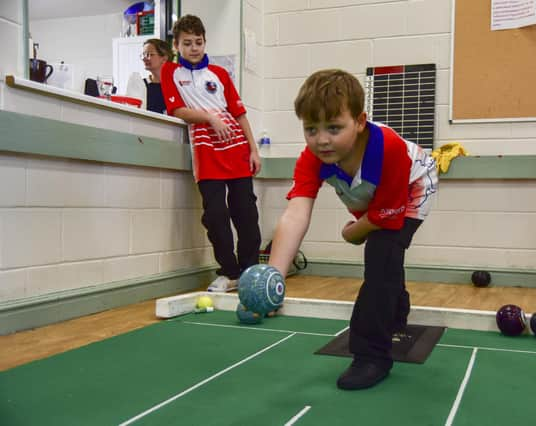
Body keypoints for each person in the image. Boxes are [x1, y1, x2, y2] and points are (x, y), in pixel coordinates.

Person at [267, 69, 438, 390]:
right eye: (311, 129)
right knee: (385, 257)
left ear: (360, 122)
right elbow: (296, 213)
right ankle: (397, 312)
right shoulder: (312, 158)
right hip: (369, 198)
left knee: (382, 254)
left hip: (414, 187)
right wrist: (273, 280)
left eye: (334, 127)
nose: (321, 140)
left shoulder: (387, 149)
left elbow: (382, 220)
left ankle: (372, 354)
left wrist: (350, 233)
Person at [160, 15, 262, 292]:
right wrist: (209, 118)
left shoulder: (220, 73)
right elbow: (178, 110)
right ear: (176, 45)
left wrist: (253, 150)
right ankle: (229, 273)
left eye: (199, 42)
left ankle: (250, 272)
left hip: (237, 149)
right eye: (187, 43)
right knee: (216, 215)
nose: (194, 48)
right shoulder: (170, 71)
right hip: (207, 153)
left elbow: (239, 114)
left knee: (246, 214)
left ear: (205, 42)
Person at [126, 38, 172, 113]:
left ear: (164, 58)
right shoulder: (141, 85)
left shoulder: (177, 85)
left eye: (149, 54)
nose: (144, 58)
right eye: (143, 55)